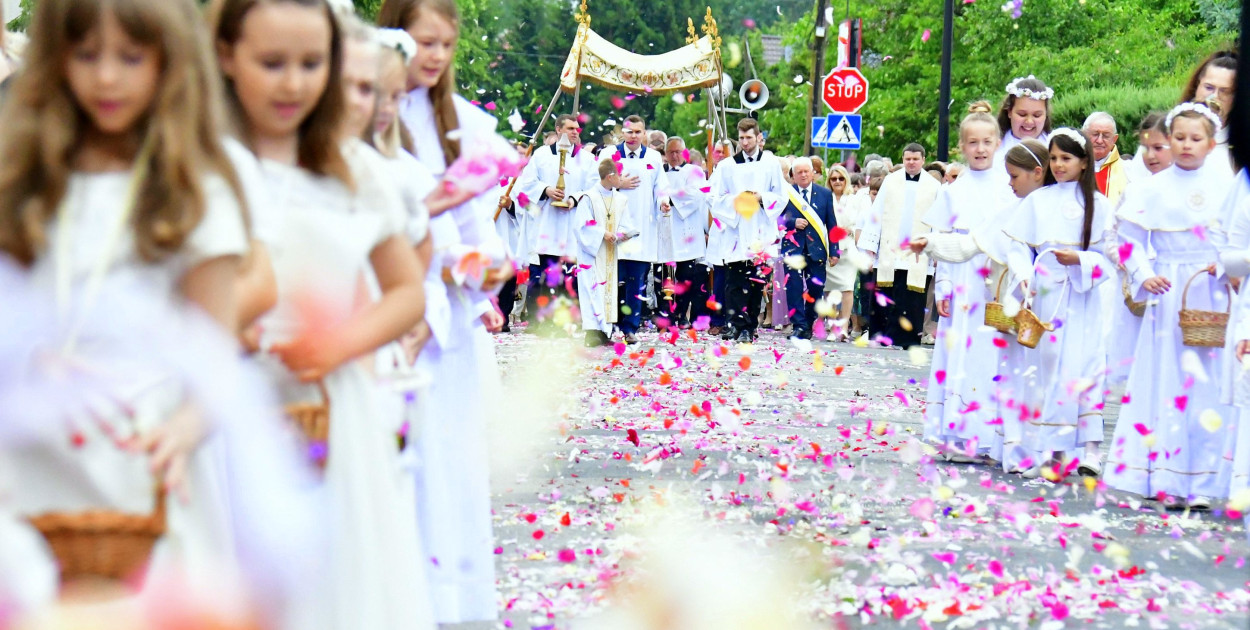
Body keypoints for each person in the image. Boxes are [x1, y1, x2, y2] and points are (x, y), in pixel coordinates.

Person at [0, 0, 257, 609]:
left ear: (168, 62)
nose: (107, 77)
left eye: (130, 57)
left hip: (148, 450)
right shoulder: (26, 175)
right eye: (86, 55)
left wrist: (186, 429)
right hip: (36, 448)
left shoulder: (195, 185)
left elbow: (215, 349)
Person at [213, 1, 437, 627]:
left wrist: (341, 343)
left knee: (336, 586)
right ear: (227, 57)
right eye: (272, 62)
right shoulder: (201, 163)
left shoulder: (352, 171)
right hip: (223, 402)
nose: (292, 84)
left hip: (332, 404)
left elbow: (405, 291)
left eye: (311, 64)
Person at [379, 0, 512, 622]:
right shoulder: (366, 109)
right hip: (387, 308)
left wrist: (485, 273)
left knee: (449, 460)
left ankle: (452, 602)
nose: (432, 56)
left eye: (444, 45)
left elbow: (474, 228)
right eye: (420, 41)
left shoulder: (461, 123)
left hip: (445, 322)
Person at [1104, 103, 1236, 510]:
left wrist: (1226, 261)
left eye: (1196, 139)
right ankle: (1167, 475)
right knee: (1169, 380)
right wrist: (1143, 273)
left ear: (1211, 144)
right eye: (1178, 137)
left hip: (1211, 292)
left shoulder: (1228, 185)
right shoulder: (1151, 188)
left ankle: (1209, 478)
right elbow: (1127, 237)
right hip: (1167, 291)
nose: (1186, 145)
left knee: (1210, 384)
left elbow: (1237, 234)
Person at [910, 138, 1051, 474]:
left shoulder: (1064, 204)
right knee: (1016, 377)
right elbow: (971, 244)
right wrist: (930, 243)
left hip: (1060, 302)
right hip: (1024, 305)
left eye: (1014, 177)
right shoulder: (1012, 209)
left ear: (1037, 173)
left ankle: (1054, 451)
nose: (1009, 184)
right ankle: (1017, 449)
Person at [1001, 128, 1112, 480]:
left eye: (1067, 158)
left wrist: (1079, 260)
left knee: (1085, 366)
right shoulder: (1038, 200)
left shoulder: (1099, 204)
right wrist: (1024, 274)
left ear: (1083, 162)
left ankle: (1091, 447)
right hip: (1046, 293)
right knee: (1049, 369)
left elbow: (1109, 257)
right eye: (1054, 158)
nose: (1059, 165)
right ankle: (1053, 448)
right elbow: (1018, 246)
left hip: (1082, 295)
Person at [918, 102, 1012, 460]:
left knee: (993, 355)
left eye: (987, 141)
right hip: (962, 280)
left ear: (998, 143)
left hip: (997, 279)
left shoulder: (1009, 186)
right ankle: (959, 435)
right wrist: (942, 286)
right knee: (962, 353)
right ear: (962, 146)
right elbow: (941, 241)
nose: (981, 149)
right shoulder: (952, 192)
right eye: (973, 143)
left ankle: (992, 435)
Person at [511, 113, 596, 331]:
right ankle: (548, 323)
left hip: (572, 224)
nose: (575, 132)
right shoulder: (541, 155)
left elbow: (593, 188)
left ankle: (568, 321)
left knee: (570, 278)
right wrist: (546, 190)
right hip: (548, 225)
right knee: (550, 278)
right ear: (558, 130)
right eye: (570, 128)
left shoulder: (586, 159)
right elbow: (527, 183)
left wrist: (575, 198)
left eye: (577, 129)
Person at [1106, 113, 1172, 384]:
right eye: (1146, 148)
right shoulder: (1136, 191)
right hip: (1138, 285)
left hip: (1171, 280)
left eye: (1159, 148)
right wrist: (1123, 259)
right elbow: (1114, 235)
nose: (1151, 155)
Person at [709, 119, 788, 343]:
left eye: (749, 138)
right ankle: (735, 324)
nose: (745, 143)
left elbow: (781, 196)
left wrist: (762, 198)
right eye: (741, 138)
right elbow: (716, 198)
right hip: (736, 229)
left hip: (761, 228)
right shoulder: (727, 166)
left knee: (756, 282)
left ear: (758, 137)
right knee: (734, 282)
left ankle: (749, 325)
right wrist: (738, 199)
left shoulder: (770, 164)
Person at [859, 142, 941, 348]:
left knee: (912, 299)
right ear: (903, 160)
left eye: (915, 159)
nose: (911, 163)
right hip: (890, 249)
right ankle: (882, 335)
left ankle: (908, 338)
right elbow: (876, 213)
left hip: (918, 254)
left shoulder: (934, 186)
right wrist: (870, 244)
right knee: (887, 294)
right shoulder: (890, 181)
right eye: (907, 159)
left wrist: (937, 249)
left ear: (923, 160)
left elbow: (939, 221)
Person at [598, 115, 668, 344]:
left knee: (635, 281)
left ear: (644, 133)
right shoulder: (609, 154)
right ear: (622, 133)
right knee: (611, 279)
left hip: (641, 227)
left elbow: (661, 187)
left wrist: (664, 202)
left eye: (638, 132)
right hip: (614, 226)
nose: (633, 136)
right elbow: (597, 183)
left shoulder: (654, 157)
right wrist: (619, 183)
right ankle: (608, 325)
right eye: (629, 132)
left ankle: (630, 328)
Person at [575, 158, 634, 347]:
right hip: (591, 254)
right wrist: (603, 233)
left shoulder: (621, 199)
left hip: (610, 252)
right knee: (592, 289)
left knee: (608, 290)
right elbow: (582, 226)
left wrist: (624, 233)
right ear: (610, 176)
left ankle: (605, 332)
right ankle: (592, 332)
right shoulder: (588, 197)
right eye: (619, 175)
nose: (621, 179)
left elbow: (625, 222)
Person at [779, 157, 837, 340]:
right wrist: (792, 222)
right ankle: (799, 325)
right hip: (793, 248)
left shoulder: (825, 194)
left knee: (816, 290)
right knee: (794, 288)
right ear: (793, 175)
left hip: (817, 250)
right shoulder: (786, 193)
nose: (803, 175)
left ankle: (808, 321)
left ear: (813, 173)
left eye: (806, 171)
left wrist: (834, 251)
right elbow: (777, 219)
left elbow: (832, 224)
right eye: (799, 172)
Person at [662, 136, 709, 328]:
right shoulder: (659, 172)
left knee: (686, 278)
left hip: (687, 231)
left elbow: (695, 194)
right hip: (665, 230)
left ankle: (682, 314)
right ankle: (667, 315)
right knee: (665, 278)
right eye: (670, 152)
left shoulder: (694, 171)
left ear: (684, 152)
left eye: (677, 152)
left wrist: (667, 199)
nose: (674, 156)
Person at [1180, 50, 1236, 175]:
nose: (1214, 96)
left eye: (1225, 91)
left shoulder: (1240, 145)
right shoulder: (1168, 130)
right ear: (1197, 86)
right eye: (1209, 88)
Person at [825, 164, 862, 339]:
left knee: (847, 289)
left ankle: (844, 326)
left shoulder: (854, 199)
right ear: (829, 181)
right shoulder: (825, 197)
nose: (837, 182)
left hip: (848, 248)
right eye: (834, 179)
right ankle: (833, 326)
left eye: (841, 178)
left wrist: (850, 230)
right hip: (830, 247)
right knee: (829, 289)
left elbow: (860, 223)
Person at [994, 75, 1052, 169]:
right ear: (1009, 112)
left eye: (1037, 115)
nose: (1029, 121)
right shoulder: (993, 148)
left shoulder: (1054, 149)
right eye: (1022, 114)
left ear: (1045, 115)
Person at [1084, 111, 1128, 206]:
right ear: (1084, 135)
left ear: (1114, 139)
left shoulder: (1128, 171)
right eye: (1095, 134)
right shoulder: (1073, 167)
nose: (1099, 140)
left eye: (1106, 135)